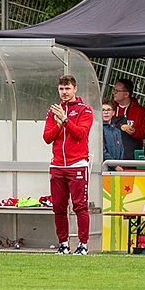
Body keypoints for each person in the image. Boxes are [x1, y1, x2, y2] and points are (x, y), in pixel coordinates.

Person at [42, 75, 94, 256]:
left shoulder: (85, 110)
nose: (64, 92)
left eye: (68, 88)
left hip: (77, 164)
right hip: (57, 165)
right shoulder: (53, 111)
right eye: (61, 89)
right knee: (58, 206)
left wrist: (65, 120)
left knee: (80, 206)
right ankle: (63, 244)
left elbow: (81, 134)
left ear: (75, 89)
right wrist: (58, 124)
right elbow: (47, 137)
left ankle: (83, 244)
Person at [112, 78, 145, 160]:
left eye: (117, 91)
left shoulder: (140, 112)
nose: (114, 93)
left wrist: (135, 132)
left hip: (130, 156)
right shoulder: (110, 108)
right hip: (111, 154)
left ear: (126, 94)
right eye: (114, 90)